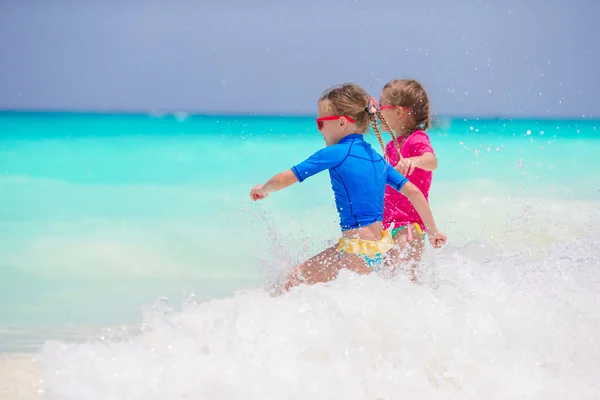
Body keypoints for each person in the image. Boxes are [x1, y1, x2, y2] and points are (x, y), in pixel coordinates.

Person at [249, 83, 446, 292]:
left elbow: (286, 178)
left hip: (354, 250)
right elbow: (414, 192)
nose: (320, 130)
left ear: (342, 123)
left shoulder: (336, 152)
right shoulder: (378, 158)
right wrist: (433, 231)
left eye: (321, 123)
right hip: (379, 250)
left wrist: (264, 188)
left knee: (288, 282)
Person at [379, 79, 439, 282]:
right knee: (390, 280)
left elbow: (432, 161)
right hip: (389, 225)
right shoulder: (390, 146)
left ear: (398, 112)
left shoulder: (417, 139)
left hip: (409, 227)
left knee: (405, 280)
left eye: (381, 106)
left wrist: (416, 160)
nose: (378, 112)